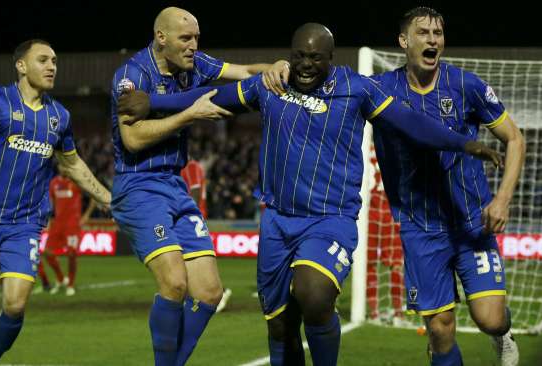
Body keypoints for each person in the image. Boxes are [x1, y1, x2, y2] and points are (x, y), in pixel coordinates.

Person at [118, 23, 502, 366]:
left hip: (330, 220)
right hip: (277, 222)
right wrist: (154, 102)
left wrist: (462, 144)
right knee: (280, 325)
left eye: (315, 58)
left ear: (331, 60)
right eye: (298, 55)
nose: (304, 64)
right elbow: (216, 98)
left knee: (314, 294)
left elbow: (411, 123)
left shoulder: (356, 89)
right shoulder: (271, 84)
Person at [110, 6, 289, 366]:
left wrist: (275, 67)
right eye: (185, 38)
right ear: (162, 38)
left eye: (196, 39)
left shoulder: (195, 64)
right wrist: (189, 115)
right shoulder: (131, 75)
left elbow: (245, 73)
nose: (193, 46)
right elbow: (132, 138)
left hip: (175, 185)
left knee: (208, 293)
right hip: (139, 185)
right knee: (175, 283)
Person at [370, 7, 524, 365]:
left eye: (437, 33)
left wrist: (502, 199)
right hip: (420, 227)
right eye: (423, 33)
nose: (433, 40)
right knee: (440, 328)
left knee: (490, 318)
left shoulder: (466, 86)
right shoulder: (380, 90)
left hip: (472, 221)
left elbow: (515, 139)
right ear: (403, 41)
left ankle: (502, 333)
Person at [0, 39, 111, 366]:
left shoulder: (59, 116)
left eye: (54, 60)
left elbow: (71, 164)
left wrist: (106, 197)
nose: (52, 66)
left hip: (25, 224)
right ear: (21, 65)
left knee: (15, 304)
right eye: (43, 60)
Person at [180, 158, 233, 313]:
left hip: (191, 219)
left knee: (189, 260)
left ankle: (220, 292)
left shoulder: (190, 166)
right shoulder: (188, 166)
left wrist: (187, 214)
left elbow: (195, 192)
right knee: (185, 260)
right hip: (190, 218)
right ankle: (200, 295)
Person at [37, 172, 97, 296]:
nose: (63, 167)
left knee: (72, 254)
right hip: (57, 223)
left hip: (72, 225)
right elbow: (51, 204)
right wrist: (47, 219)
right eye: (60, 164)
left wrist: (86, 215)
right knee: (47, 252)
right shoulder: (54, 182)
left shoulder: (77, 180)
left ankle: (70, 285)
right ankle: (60, 279)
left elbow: (93, 196)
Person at [365, 145, 404, 323]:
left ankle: (374, 313)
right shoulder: (392, 147)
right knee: (396, 264)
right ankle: (398, 313)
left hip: (369, 213)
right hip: (389, 212)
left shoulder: (362, 147)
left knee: (370, 264)